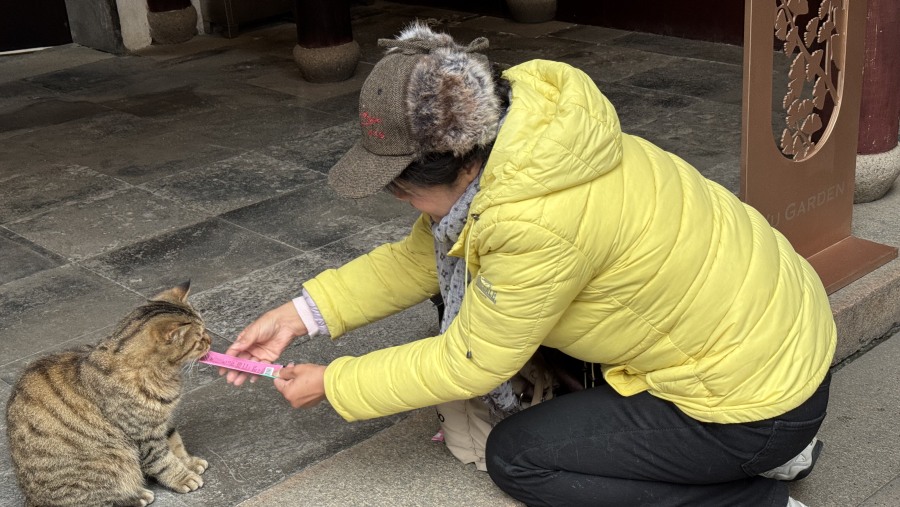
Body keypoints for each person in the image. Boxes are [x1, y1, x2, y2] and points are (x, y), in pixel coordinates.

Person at [223, 21, 834, 507]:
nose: (401, 202)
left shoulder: (531, 219)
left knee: (520, 458)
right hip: (777, 345)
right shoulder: (534, 140)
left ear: (458, 162)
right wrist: (299, 315)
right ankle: (773, 454)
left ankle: (754, 494)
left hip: (753, 405)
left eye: (403, 190)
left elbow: (469, 362)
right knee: (484, 301)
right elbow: (420, 261)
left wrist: (335, 384)